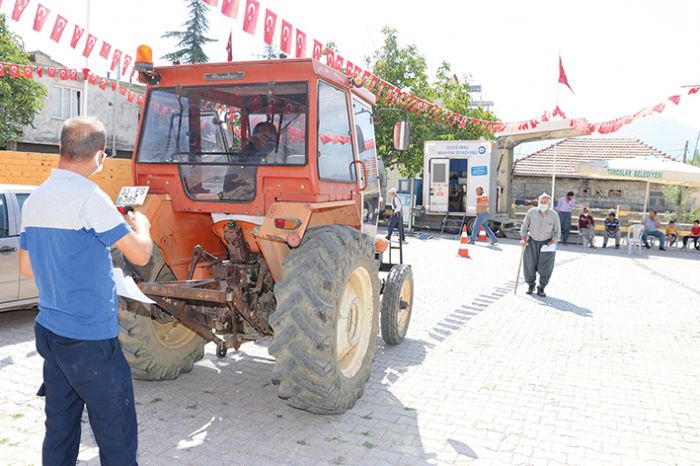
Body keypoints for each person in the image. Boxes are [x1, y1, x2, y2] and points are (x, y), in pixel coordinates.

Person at [18, 117, 153, 466]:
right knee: (116, 437)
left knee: (60, 431)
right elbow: (139, 254)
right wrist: (142, 225)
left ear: (60, 148)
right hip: (91, 341)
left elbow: (26, 268)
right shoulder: (92, 199)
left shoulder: (34, 200)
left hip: (49, 332)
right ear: (99, 156)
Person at [520, 193, 561, 297]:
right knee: (529, 265)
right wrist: (523, 239)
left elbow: (557, 232)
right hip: (531, 242)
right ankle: (530, 285)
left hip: (546, 244)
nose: (542, 204)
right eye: (541, 202)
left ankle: (541, 287)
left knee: (546, 267)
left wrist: (553, 242)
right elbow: (524, 227)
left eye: (545, 202)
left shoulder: (554, 215)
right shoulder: (531, 212)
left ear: (549, 203)